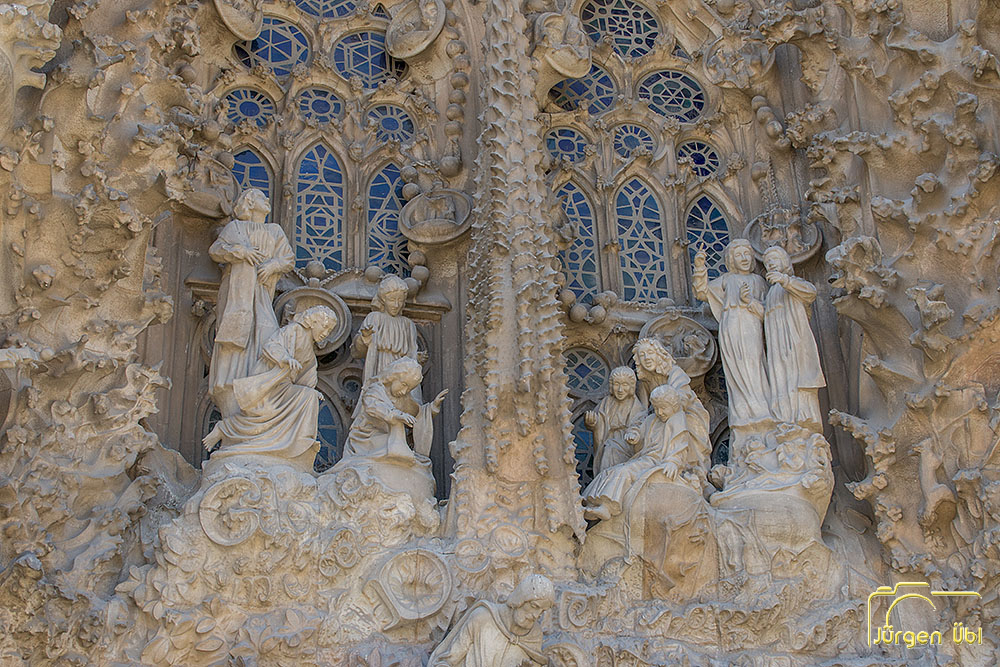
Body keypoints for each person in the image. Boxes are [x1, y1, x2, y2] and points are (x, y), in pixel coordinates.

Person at [203, 306, 337, 470]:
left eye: (329, 330)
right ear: (313, 322)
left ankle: (299, 446)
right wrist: (285, 358)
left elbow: (307, 374)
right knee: (266, 410)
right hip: (270, 381)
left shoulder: (309, 349)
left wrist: (311, 390)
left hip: (285, 385)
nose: (326, 333)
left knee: (309, 397)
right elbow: (272, 345)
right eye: (325, 327)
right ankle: (226, 428)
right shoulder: (294, 330)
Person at [208, 188, 294, 417]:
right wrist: (239, 251)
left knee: (267, 334)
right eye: (260, 198)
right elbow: (216, 250)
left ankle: (259, 390)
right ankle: (233, 388)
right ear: (249, 203)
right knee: (236, 338)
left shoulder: (274, 231)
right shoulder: (236, 228)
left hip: (262, 294)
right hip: (237, 294)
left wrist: (273, 265)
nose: (267, 200)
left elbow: (287, 258)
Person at [583, 385, 710, 522]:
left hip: (656, 462)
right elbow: (640, 434)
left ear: (673, 406)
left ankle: (607, 507)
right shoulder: (652, 419)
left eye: (663, 408)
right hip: (644, 459)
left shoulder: (677, 421)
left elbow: (680, 446)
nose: (659, 412)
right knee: (610, 471)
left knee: (624, 472)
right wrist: (634, 436)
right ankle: (590, 503)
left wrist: (673, 462)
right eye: (656, 408)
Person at [692, 239, 771, 427]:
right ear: (730, 260)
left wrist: (749, 301)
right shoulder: (727, 279)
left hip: (752, 327)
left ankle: (761, 409)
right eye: (738, 255)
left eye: (747, 254)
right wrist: (700, 267)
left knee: (754, 365)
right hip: (731, 327)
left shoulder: (758, 282)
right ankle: (743, 411)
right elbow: (702, 292)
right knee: (737, 367)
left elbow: (769, 313)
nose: (743, 258)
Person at [427, 574, 555, 667]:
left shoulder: (534, 635)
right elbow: (447, 661)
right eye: (534, 606)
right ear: (520, 599)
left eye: (542, 611)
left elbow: (538, 662)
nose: (536, 615)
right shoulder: (482, 618)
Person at [762, 246, 825, 430]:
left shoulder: (792, 283)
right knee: (780, 378)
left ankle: (804, 419)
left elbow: (810, 292)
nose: (771, 264)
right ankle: (785, 418)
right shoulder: (771, 292)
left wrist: (785, 281)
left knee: (797, 376)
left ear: (785, 262)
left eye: (774, 259)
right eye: (767, 262)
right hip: (776, 344)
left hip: (794, 339)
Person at [342, 357, 447, 461]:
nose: (404, 391)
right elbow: (373, 407)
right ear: (393, 376)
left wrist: (432, 407)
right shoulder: (376, 389)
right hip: (367, 436)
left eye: (409, 389)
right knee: (394, 450)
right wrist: (396, 415)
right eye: (404, 385)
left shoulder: (403, 398)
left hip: (390, 437)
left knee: (404, 453)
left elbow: (416, 414)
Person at [353, 275, 422, 403]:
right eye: (392, 299)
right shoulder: (374, 318)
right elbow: (357, 352)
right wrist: (364, 338)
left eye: (400, 300)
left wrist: (417, 360)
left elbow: (412, 352)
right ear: (383, 299)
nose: (396, 305)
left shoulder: (407, 324)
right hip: (379, 368)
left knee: (402, 405)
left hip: (402, 375)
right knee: (379, 404)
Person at [585, 367, 646, 474]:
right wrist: (592, 423)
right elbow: (598, 421)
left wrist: (633, 434)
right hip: (607, 442)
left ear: (632, 386)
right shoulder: (607, 402)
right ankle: (605, 478)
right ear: (611, 385)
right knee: (609, 448)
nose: (620, 390)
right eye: (617, 384)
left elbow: (639, 425)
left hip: (626, 445)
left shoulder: (636, 406)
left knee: (611, 449)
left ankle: (610, 479)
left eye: (625, 384)